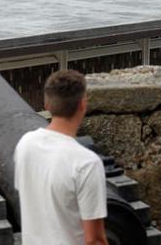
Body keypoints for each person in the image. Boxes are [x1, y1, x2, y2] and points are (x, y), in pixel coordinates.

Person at [14, 70, 108, 245]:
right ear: (83, 105)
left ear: (47, 104)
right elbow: (94, 240)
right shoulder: (86, 163)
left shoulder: (25, 145)